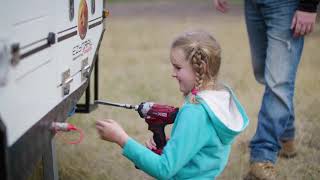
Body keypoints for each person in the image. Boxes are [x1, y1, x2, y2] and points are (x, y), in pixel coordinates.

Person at [96, 30, 249, 179]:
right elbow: (203, 148)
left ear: (200, 68)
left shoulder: (195, 112)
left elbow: (164, 169)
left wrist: (121, 139)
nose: (173, 73)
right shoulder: (217, 104)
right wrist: (173, 146)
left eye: (178, 67)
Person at [213, 0, 319, 179]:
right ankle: (286, 136)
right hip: (253, 4)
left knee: (279, 83)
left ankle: (262, 157)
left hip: (287, 5)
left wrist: (308, 6)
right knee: (265, 74)